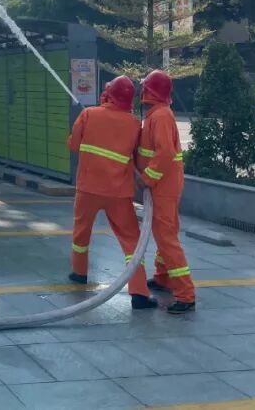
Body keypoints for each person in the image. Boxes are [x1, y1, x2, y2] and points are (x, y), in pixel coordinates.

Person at [66, 75, 157, 310]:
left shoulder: (88, 114)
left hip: (88, 189)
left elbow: (73, 145)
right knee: (131, 241)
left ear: (108, 94)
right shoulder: (134, 123)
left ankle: (79, 272)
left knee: (81, 232)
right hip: (119, 193)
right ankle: (139, 292)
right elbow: (137, 156)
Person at [136, 69, 196, 315]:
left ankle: (185, 294)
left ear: (149, 91)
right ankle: (163, 278)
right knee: (164, 233)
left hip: (163, 185)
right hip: (166, 184)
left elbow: (165, 152)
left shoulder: (160, 116)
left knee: (167, 238)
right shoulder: (158, 114)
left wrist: (148, 178)